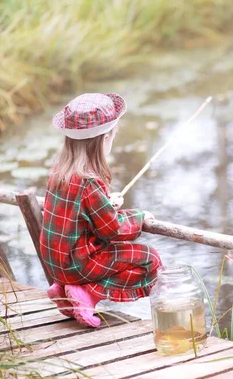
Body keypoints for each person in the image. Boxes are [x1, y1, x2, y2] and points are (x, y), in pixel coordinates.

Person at [40, 93, 161, 328]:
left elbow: (78, 212)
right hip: (76, 264)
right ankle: (88, 293)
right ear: (105, 139)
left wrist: (106, 202)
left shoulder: (59, 170)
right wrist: (139, 217)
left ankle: (64, 288)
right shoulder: (89, 181)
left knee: (113, 254)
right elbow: (113, 230)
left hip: (55, 263)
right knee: (150, 258)